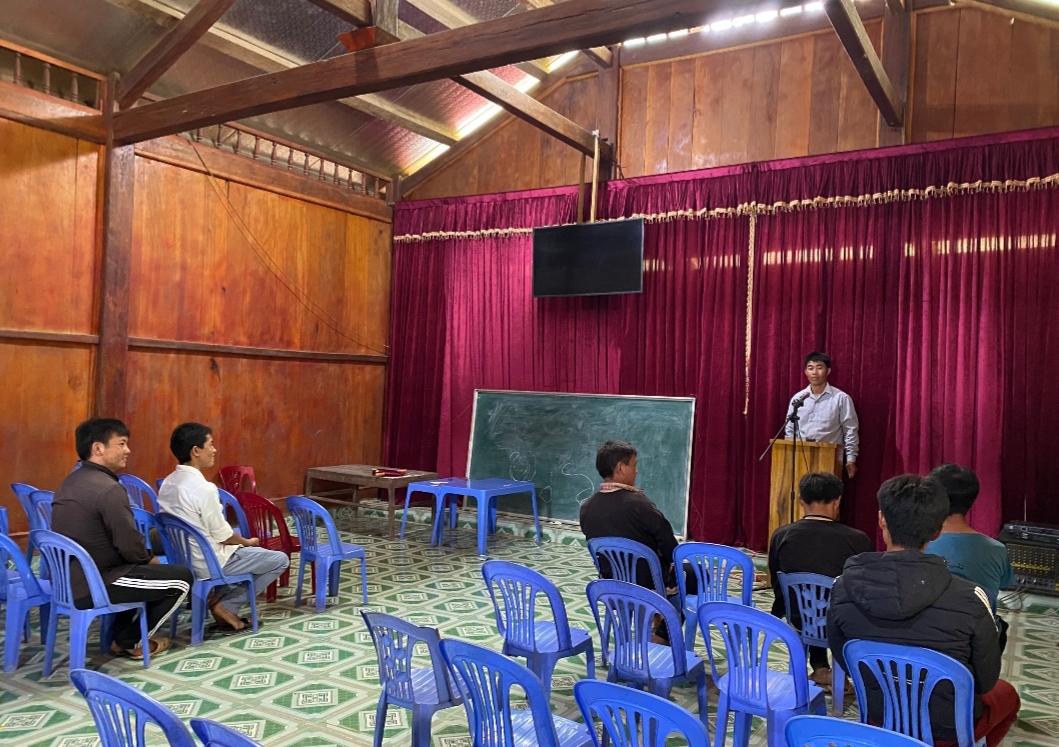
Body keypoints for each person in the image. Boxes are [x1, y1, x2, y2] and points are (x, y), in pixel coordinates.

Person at [828, 475, 1020, 747]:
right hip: (948, 727)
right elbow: (985, 681)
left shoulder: (841, 587)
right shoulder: (971, 597)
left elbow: (844, 658)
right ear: (937, 531)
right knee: (1008, 695)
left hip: (879, 716)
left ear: (881, 519)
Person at [51, 418, 193, 659]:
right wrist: (151, 561)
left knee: (137, 570)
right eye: (122, 443)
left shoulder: (70, 482)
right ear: (98, 448)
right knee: (181, 579)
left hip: (68, 581)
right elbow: (129, 544)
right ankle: (131, 641)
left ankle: (122, 635)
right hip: (96, 584)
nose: (127, 450)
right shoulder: (108, 489)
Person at [157, 423, 289, 634]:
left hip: (184, 560)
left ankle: (218, 600)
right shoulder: (204, 488)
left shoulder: (168, 483)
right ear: (196, 451)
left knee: (245, 555)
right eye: (210, 444)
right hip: (209, 563)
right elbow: (224, 535)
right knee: (279, 560)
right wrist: (247, 542)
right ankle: (226, 606)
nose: (214, 450)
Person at [768, 471, 873, 689]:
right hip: (840, 624)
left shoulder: (781, 535)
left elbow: (778, 584)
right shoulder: (857, 539)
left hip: (799, 620)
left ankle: (820, 668)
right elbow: (864, 589)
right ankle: (842, 674)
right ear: (838, 501)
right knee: (833, 602)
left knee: (811, 601)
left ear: (800, 500)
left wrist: (781, 612)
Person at [926, 464, 1015, 650]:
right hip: (976, 645)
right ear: (973, 499)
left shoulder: (918, 544)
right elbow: (1003, 585)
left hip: (926, 639)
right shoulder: (997, 550)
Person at [579, 441, 686, 593]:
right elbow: (672, 550)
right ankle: (673, 609)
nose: (636, 471)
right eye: (634, 465)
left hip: (612, 584)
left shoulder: (586, 507)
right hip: (650, 585)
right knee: (700, 574)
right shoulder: (641, 505)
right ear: (621, 468)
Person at [786, 352, 860, 478]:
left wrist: (850, 459)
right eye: (810, 368)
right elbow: (790, 429)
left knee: (826, 491)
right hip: (800, 458)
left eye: (819, 368)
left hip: (830, 457)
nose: (815, 372)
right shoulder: (798, 399)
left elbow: (850, 430)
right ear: (805, 372)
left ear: (828, 371)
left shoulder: (841, 398)